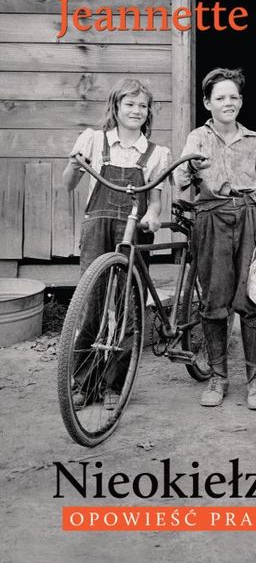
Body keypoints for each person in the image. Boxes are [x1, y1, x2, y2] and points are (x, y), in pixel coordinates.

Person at [63, 78, 170, 409]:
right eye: (130, 104)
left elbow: (155, 202)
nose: (137, 110)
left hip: (133, 230)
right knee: (91, 303)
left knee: (129, 307)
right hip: (97, 227)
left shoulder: (156, 153)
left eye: (143, 105)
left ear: (149, 112)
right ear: (116, 107)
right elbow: (68, 183)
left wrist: (152, 215)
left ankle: (115, 385)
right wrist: (73, 164)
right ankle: (85, 383)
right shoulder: (94, 141)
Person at [174, 68, 256, 410]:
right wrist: (191, 168)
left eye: (233, 97)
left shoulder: (254, 140)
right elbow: (180, 180)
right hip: (211, 219)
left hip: (247, 217)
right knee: (215, 301)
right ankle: (218, 377)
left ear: (241, 101)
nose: (227, 103)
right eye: (220, 97)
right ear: (208, 103)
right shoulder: (197, 138)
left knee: (251, 300)